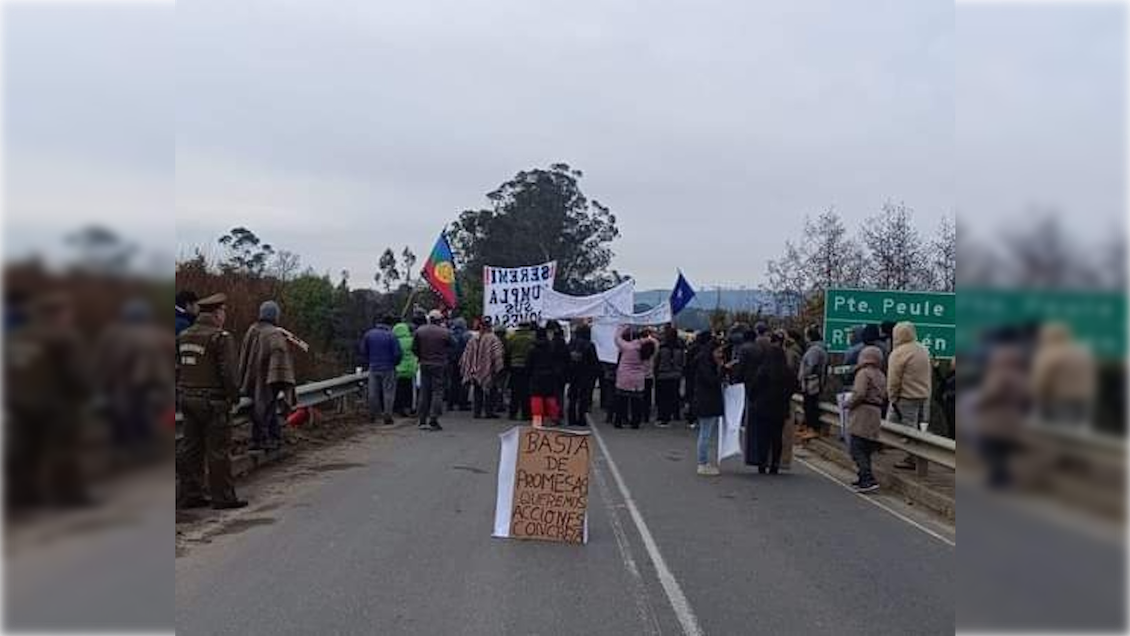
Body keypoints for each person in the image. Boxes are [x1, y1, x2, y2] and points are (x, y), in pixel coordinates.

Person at [5, 294, 91, 507]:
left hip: (20, 402)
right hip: (54, 403)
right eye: (67, 313)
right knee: (63, 449)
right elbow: (75, 373)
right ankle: (68, 496)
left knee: (26, 451)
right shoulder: (63, 337)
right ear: (58, 314)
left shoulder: (17, 336)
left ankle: (22, 496)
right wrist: (85, 393)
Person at [177, 293, 246, 509]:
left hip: (187, 400)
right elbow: (229, 374)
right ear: (217, 313)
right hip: (213, 402)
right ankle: (223, 497)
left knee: (192, 449)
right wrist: (234, 397)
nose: (224, 315)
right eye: (223, 311)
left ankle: (191, 494)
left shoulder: (185, 336)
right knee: (218, 451)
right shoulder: (220, 338)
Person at [94, 299, 173, 456]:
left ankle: (125, 444)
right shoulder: (152, 332)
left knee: (125, 412)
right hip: (143, 380)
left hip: (125, 380)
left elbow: (106, 358)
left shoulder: (114, 332)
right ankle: (139, 445)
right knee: (138, 412)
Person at [237, 301, 297, 451]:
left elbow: (245, 354)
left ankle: (261, 439)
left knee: (259, 408)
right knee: (268, 407)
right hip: (270, 380)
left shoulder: (252, 330)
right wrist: (281, 379)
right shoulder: (275, 334)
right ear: (275, 315)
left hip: (252, 377)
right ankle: (268, 439)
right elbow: (280, 359)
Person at [976, 346, 1029, 488]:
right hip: (1013, 417)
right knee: (1005, 448)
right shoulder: (1021, 377)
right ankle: (1004, 476)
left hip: (996, 417)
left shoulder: (998, 376)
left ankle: (998, 477)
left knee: (992, 447)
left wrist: (980, 404)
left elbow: (990, 394)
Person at [1031, 322, 1096, 427]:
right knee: (1080, 432)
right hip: (1084, 398)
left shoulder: (1050, 353)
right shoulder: (1083, 352)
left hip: (1060, 398)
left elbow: (1041, 380)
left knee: (1062, 433)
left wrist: (1038, 396)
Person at [888, 321, 933, 470]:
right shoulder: (923, 349)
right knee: (916, 427)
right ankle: (913, 455)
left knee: (904, 427)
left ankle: (912, 458)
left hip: (906, 395)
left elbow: (894, 378)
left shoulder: (899, 352)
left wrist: (892, 396)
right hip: (923, 395)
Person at [846, 346, 887, 493]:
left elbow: (859, 393)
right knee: (867, 448)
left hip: (862, 412)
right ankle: (863, 477)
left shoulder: (863, 373)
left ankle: (868, 478)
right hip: (876, 412)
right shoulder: (881, 375)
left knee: (856, 447)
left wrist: (848, 403)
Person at [360, 314, 403, 426]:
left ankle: (372, 414)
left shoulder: (369, 334)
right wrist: (395, 363)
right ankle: (387, 415)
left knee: (373, 392)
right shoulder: (391, 336)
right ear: (390, 324)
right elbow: (397, 353)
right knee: (388, 392)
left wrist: (369, 361)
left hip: (374, 367)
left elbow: (363, 350)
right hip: (388, 367)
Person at [413, 310, 452, 431]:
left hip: (424, 363)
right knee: (437, 392)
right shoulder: (445, 332)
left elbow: (414, 348)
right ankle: (434, 419)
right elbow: (453, 345)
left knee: (424, 391)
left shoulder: (420, 331)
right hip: (439, 364)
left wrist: (421, 357)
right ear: (439, 320)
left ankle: (422, 420)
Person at [693, 334, 726, 476]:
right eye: (718, 352)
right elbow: (712, 381)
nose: (720, 355)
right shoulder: (706, 365)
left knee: (705, 432)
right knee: (705, 433)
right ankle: (702, 462)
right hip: (707, 401)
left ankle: (703, 461)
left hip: (704, 400)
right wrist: (722, 370)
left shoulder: (703, 362)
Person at [461, 318, 504, 419]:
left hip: (474, 369)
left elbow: (467, 354)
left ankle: (477, 412)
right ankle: (489, 412)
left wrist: (470, 366)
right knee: (490, 390)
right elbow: (498, 354)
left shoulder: (473, 338)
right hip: (488, 369)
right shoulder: (493, 338)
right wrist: (497, 366)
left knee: (477, 391)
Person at [614, 326, 656, 429]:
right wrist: (648, 338)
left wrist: (623, 327)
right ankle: (635, 422)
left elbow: (617, 338)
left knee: (621, 401)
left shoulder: (628, 347)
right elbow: (655, 343)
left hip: (624, 377)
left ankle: (619, 421)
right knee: (636, 403)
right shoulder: (648, 351)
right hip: (638, 379)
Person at [526, 327, 560, 428]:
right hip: (550, 376)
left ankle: (537, 420)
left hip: (536, 376)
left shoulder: (532, 349)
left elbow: (528, 365)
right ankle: (553, 418)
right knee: (550, 397)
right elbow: (556, 363)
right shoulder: (552, 348)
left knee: (536, 398)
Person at [567, 323, 600, 427]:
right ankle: (581, 419)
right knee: (583, 398)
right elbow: (594, 362)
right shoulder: (590, 345)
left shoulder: (571, 344)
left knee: (572, 397)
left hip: (573, 374)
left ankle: (571, 418)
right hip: (586, 374)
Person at [798, 325, 828, 439]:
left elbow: (811, 365)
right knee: (809, 405)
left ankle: (813, 428)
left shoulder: (814, 350)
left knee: (810, 405)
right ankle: (809, 427)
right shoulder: (818, 348)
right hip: (813, 381)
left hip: (812, 382)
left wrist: (802, 375)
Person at [654, 324, 686, 428]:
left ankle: (663, 417)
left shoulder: (662, 348)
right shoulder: (680, 348)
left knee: (663, 398)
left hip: (663, 375)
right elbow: (683, 362)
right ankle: (675, 414)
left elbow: (657, 361)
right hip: (676, 375)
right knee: (674, 396)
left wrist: (656, 371)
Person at [506, 323, 535, 421]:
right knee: (526, 392)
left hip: (515, 366)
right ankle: (526, 414)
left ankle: (512, 413)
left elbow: (508, 350)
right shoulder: (532, 338)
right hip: (527, 367)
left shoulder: (513, 337)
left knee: (515, 392)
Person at [392, 321, 418, 417]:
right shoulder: (412, 340)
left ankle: (398, 408)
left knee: (398, 390)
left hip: (397, 369)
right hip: (410, 369)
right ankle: (410, 407)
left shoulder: (394, 341)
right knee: (410, 390)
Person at [447, 317, 473, 411]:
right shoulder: (467, 335)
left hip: (452, 361)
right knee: (465, 382)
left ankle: (450, 403)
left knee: (453, 382)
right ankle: (463, 403)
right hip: (465, 361)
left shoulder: (449, 333)